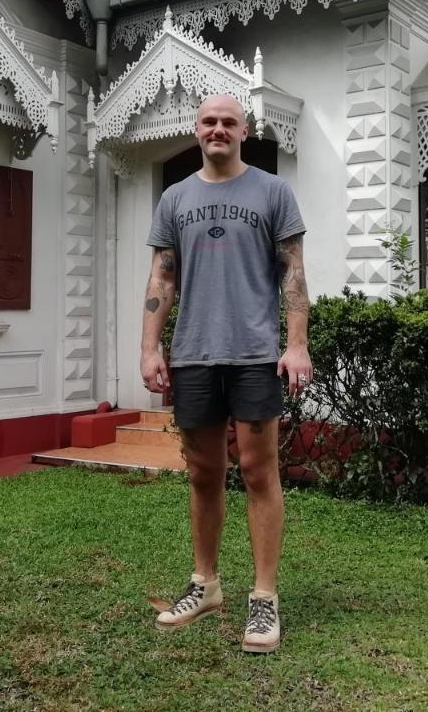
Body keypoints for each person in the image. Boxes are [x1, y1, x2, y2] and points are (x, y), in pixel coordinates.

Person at [141, 93, 311, 654]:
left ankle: (263, 598)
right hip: (193, 354)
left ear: (245, 130)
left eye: (228, 122)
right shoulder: (174, 198)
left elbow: (293, 274)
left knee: (260, 472)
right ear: (197, 129)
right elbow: (162, 281)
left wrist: (297, 345)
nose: (218, 129)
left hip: (255, 355)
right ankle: (205, 583)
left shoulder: (272, 191)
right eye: (209, 121)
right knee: (202, 474)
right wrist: (150, 347)